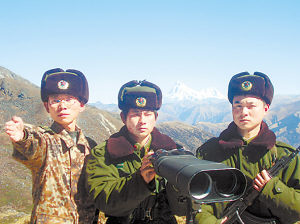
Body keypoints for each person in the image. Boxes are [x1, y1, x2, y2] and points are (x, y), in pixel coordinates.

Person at [195, 72, 300, 224]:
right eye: (238, 105)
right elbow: (196, 202)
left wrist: (271, 189)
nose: (243, 112)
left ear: (266, 108)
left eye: (251, 106)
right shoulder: (208, 153)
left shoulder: (284, 156)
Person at [85, 80, 187, 224]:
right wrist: (141, 181)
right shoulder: (104, 154)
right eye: (135, 114)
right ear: (123, 117)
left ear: (155, 118)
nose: (142, 120)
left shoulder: (172, 150)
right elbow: (103, 200)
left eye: (148, 114)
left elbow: (182, 208)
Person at [5, 68, 98, 224]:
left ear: (81, 104)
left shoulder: (91, 146)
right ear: (47, 106)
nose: (62, 106)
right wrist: (22, 137)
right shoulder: (45, 140)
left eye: (69, 99)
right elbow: (32, 146)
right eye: (56, 100)